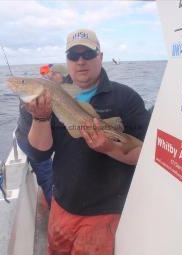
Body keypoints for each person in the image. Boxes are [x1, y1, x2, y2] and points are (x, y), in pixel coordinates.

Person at [26, 28, 150, 254]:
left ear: (100, 57)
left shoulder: (126, 98)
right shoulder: (45, 97)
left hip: (104, 214)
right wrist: (40, 116)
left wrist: (110, 147)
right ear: (67, 60)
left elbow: (145, 156)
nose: (80, 61)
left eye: (88, 54)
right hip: (61, 206)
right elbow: (39, 154)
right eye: (73, 56)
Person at [15, 63, 68, 207]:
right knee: (47, 175)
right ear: (54, 74)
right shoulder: (38, 91)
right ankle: (54, 206)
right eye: (63, 77)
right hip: (28, 139)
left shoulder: (45, 87)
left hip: (36, 134)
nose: (65, 80)